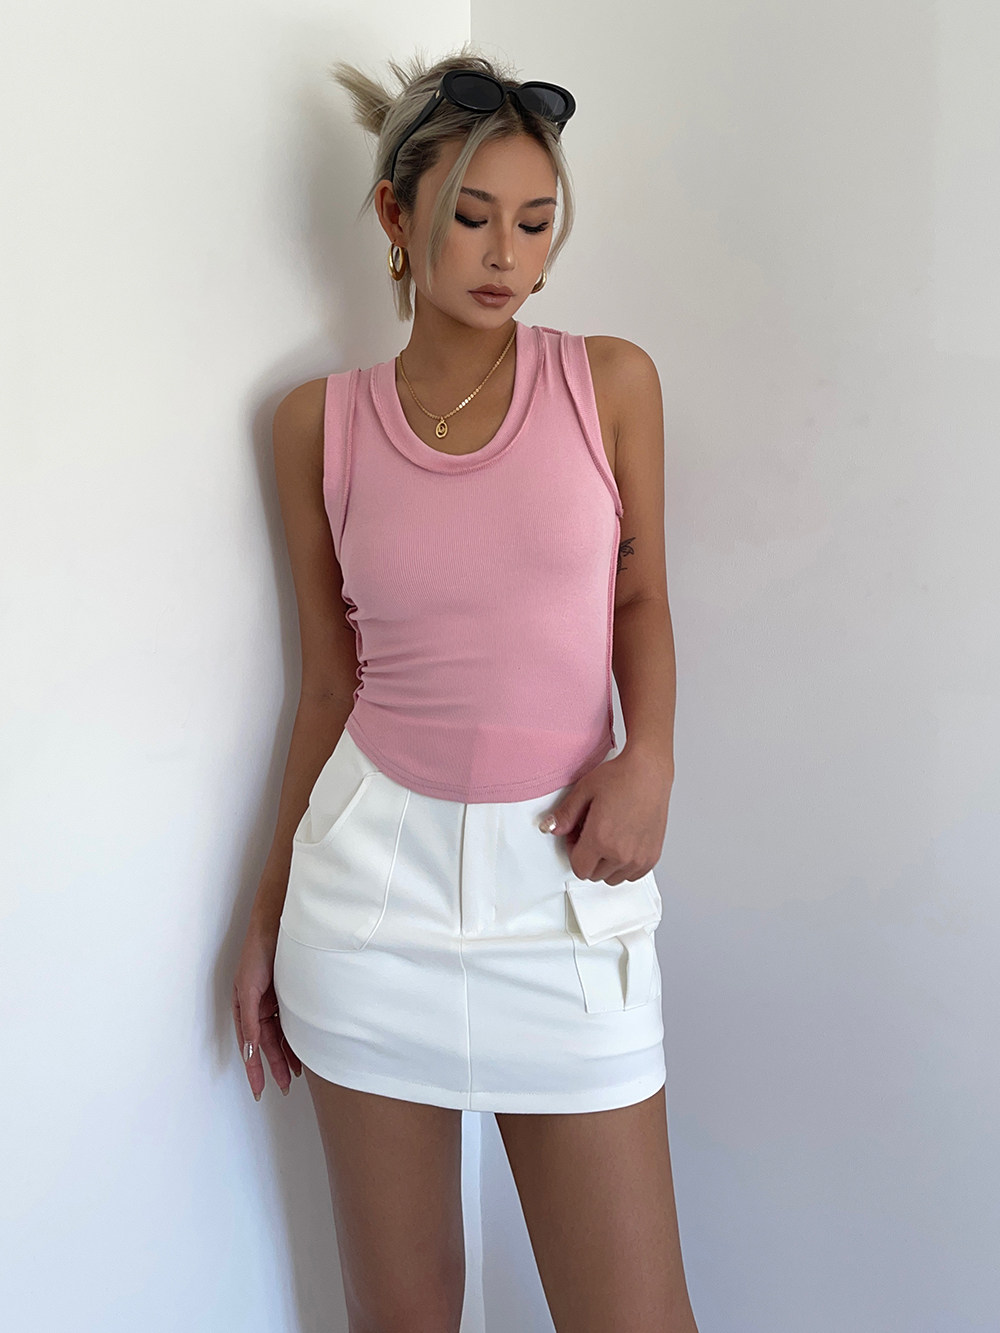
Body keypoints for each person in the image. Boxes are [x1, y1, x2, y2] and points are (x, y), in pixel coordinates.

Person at [232, 41, 699, 1333]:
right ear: (396, 216)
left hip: (563, 894)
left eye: (536, 223)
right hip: (366, 905)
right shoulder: (315, 426)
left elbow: (643, 599)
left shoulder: (609, 383)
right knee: (403, 1317)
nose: (508, 256)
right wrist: (267, 912)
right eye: (472, 217)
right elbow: (326, 687)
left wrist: (652, 755)